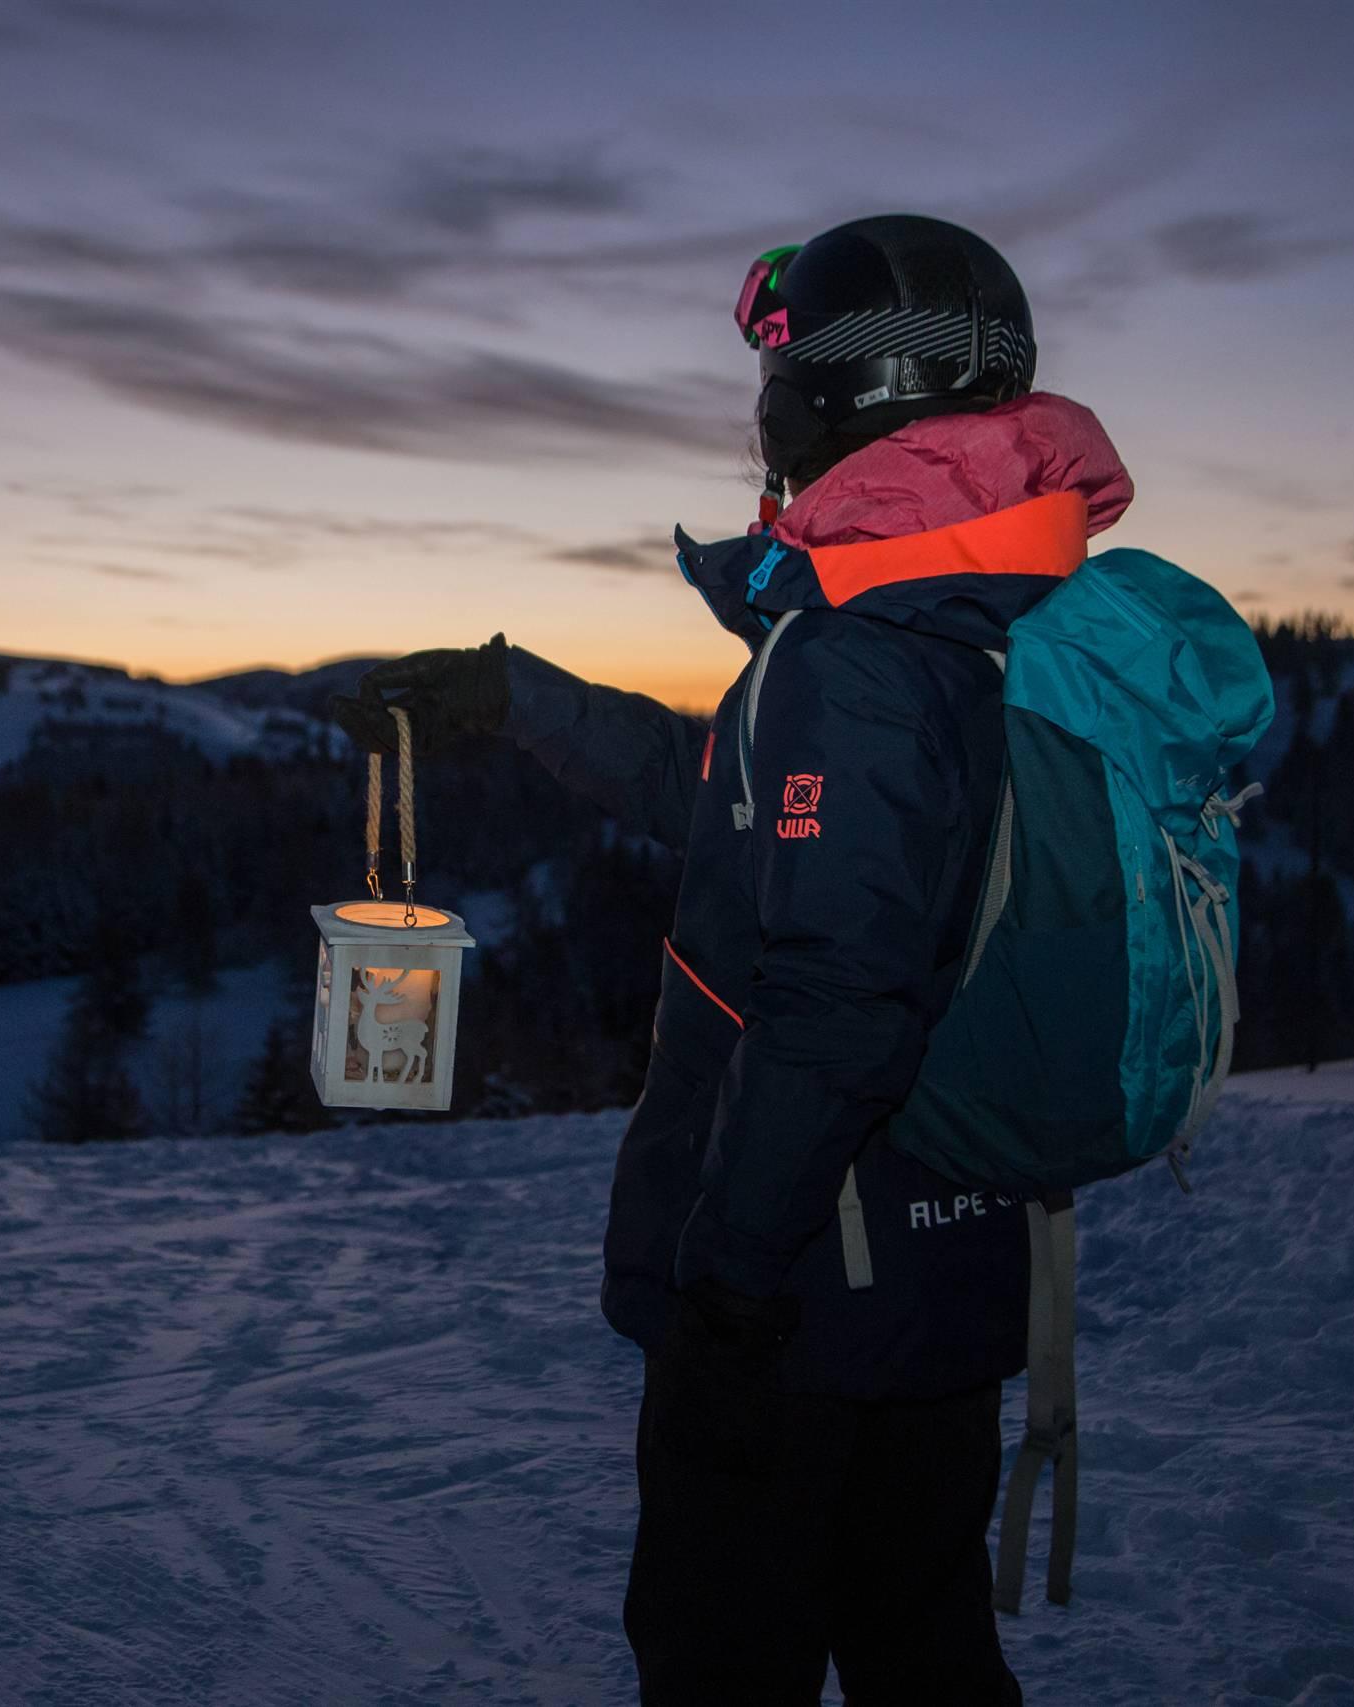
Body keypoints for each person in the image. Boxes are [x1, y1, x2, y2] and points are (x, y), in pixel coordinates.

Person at [332, 213, 1139, 1703]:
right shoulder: (976, 604)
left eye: (775, 367)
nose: (755, 407)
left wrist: (726, 1274)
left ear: (850, 394)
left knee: (726, 1662)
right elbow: (744, 797)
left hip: (810, 1285)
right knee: (920, 1645)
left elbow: (841, 994)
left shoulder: (866, 657)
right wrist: (521, 699)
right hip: (939, 1259)